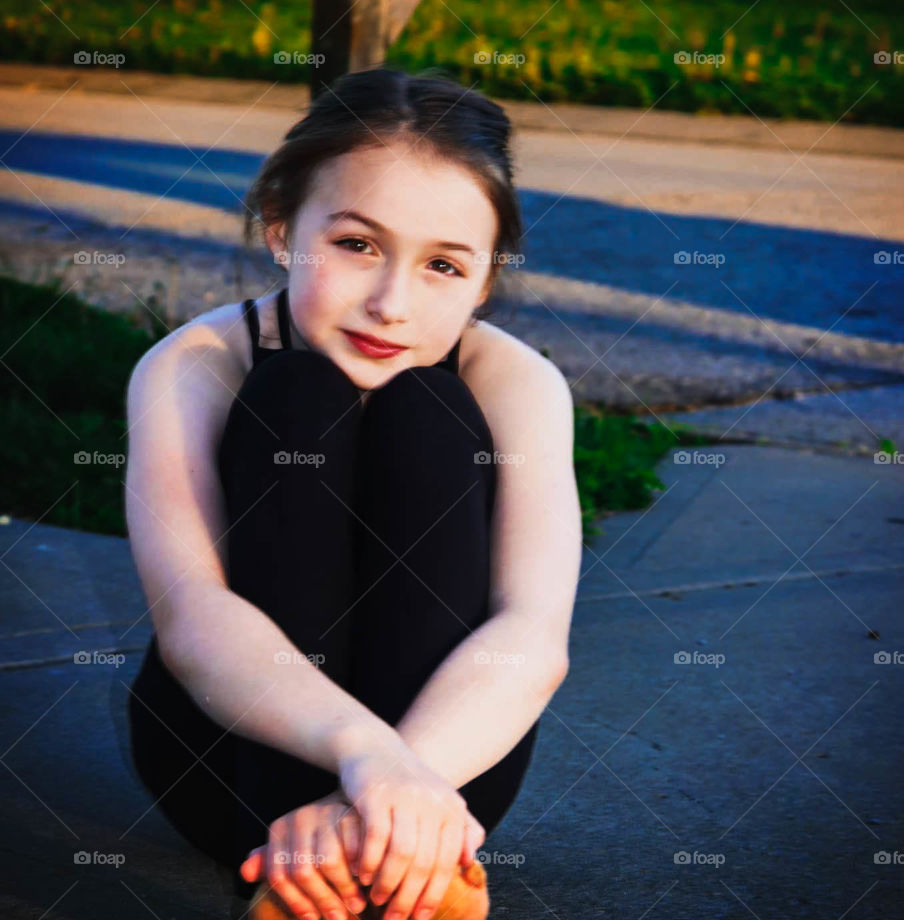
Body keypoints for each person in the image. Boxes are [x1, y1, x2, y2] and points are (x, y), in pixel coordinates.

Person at [124, 66, 582, 920]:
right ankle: (358, 867)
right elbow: (194, 621)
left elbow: (532, 635)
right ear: (280, 229)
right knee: (294, 399)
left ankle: (352, 861)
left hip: (450, 766)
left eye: (444, 265)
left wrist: (402, 777)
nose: (390, 305)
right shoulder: (192, 366)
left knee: (430, 414)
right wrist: (368, 757)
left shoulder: (518, 382)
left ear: (485, 281)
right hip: (224, 762)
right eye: (357, 244)